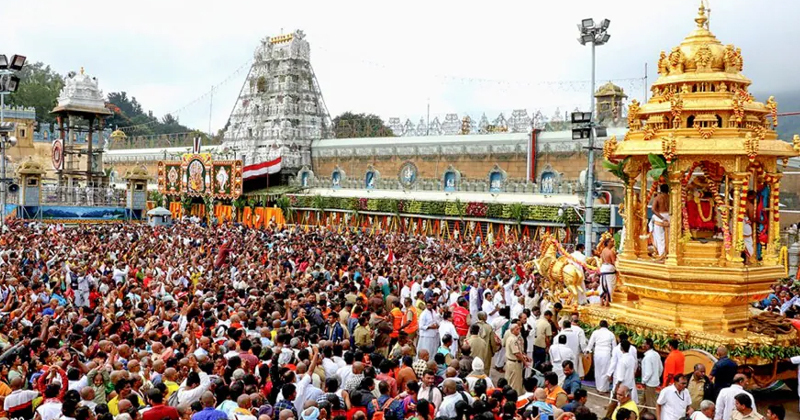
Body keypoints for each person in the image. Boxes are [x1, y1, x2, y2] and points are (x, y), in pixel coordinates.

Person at [585, 320, 616, 393]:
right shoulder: (611, 334)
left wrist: (587, 352)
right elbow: (614, 347)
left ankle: (599, 388)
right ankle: (603, 389)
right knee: (605, 370)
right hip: (606, 354)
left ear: (599, 325)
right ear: (607, 325)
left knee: (598, 370)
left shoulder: (595, 332)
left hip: (598, 353)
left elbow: (590, 344)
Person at [505, 323, 529, 394]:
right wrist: (524, 362)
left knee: (513, 381)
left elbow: (520, 351)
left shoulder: (515, 338)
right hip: (514, 363)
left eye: (519, 328)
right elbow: (517, 353)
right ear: (512, 330)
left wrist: (525, 357)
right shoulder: (513, 339)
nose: (519, 329)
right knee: (515, 383)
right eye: (516, 328)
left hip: (512, 362)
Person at [641, 338, 663, 412]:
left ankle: (654, 416)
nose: (642, 345)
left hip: (649, 383)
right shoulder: (656, 354)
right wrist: (657, 377)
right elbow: (661, 368)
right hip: (653, 382)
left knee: (651, 404)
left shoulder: (648, 357)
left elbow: (648, 372)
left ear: (648, 345)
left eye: (644, 343)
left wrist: (643, 381)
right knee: (643, 402)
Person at [651, 183, 670, 259]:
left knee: (660, 237)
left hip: (660, 218)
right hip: (669, 217)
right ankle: (668, 253)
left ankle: (661, 254)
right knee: (669, 237)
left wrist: (662, 218)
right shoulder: (671, 197)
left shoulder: (658, 198)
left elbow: (653, 209)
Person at [599, 238, 617, 306]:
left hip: (603, 268)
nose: (613, 243)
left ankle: (602, 301)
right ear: (608, 243)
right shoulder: (610, 252)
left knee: (603, 285)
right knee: (610, 286)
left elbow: (603, 260)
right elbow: (613, 262)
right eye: (611, 242)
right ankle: (607, 301)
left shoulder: (603, 251)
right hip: (609, 269)